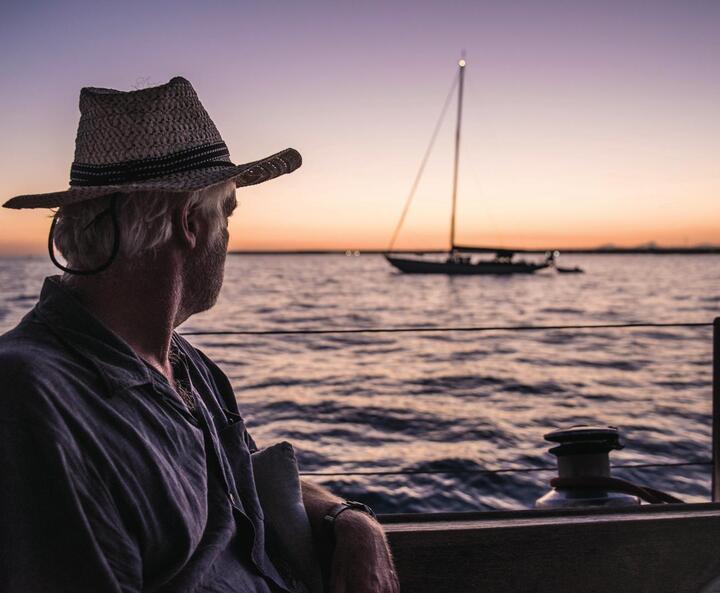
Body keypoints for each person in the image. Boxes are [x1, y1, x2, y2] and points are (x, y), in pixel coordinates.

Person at [0, 77, 399, 593]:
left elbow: (244, 480)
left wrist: (350, 521)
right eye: (226, 213)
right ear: (190, 223)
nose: (229, 236)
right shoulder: (33, 397)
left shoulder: (189, 368)